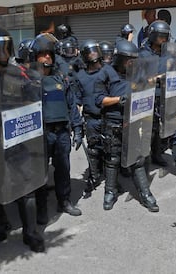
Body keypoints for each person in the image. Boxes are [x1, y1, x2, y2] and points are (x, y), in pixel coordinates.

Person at [0, 25, 45, 252]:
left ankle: (30, 231)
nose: (4, 52)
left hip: (17, 140)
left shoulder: (19, 73)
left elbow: (31, 103)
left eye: (7, 46)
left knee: (26, 186)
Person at [94, 40, 159, 212]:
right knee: (113, 159)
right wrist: (119, 100)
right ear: (119, 58)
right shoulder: (106, 73)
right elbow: (99, 100)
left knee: (137, 160)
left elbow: (144, 89)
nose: (131, 63)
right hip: (113, 122)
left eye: (133, 60)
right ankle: (110, 192)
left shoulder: (136, 73)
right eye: (127, 60)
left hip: (132, 121)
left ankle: (145, 194)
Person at [30, 33, 83, 222]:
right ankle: (42, 208)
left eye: (49, 55)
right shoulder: (28, 81)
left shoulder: (61, 78)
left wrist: (77, 129)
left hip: (61, 132)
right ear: (35, 56)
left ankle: (65, 201)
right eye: (43, 54)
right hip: (41, 134)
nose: (47, 58)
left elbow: (72, 105)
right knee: (40, 173)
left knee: (63, 169)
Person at [139, 20, 176, 182]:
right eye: (160, 37)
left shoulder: (170, 53)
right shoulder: (143, 54)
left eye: (166, 36)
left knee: (174, 132)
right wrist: (157, 78)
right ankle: (146, 164)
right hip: (150, 99)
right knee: (149, 133)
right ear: (153, 36)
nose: (164, 40)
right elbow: (138, 79)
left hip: (169, 97)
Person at [74, 40, 107, 198]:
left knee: (110, 148)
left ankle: (111, 178)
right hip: (91, 118)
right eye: (90, 53)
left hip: (108, 117)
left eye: (96, 51)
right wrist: (77, 125)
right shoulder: (80, 76)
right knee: (94, 149)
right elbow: (77, 101)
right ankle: (94, 176)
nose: (94, 55)